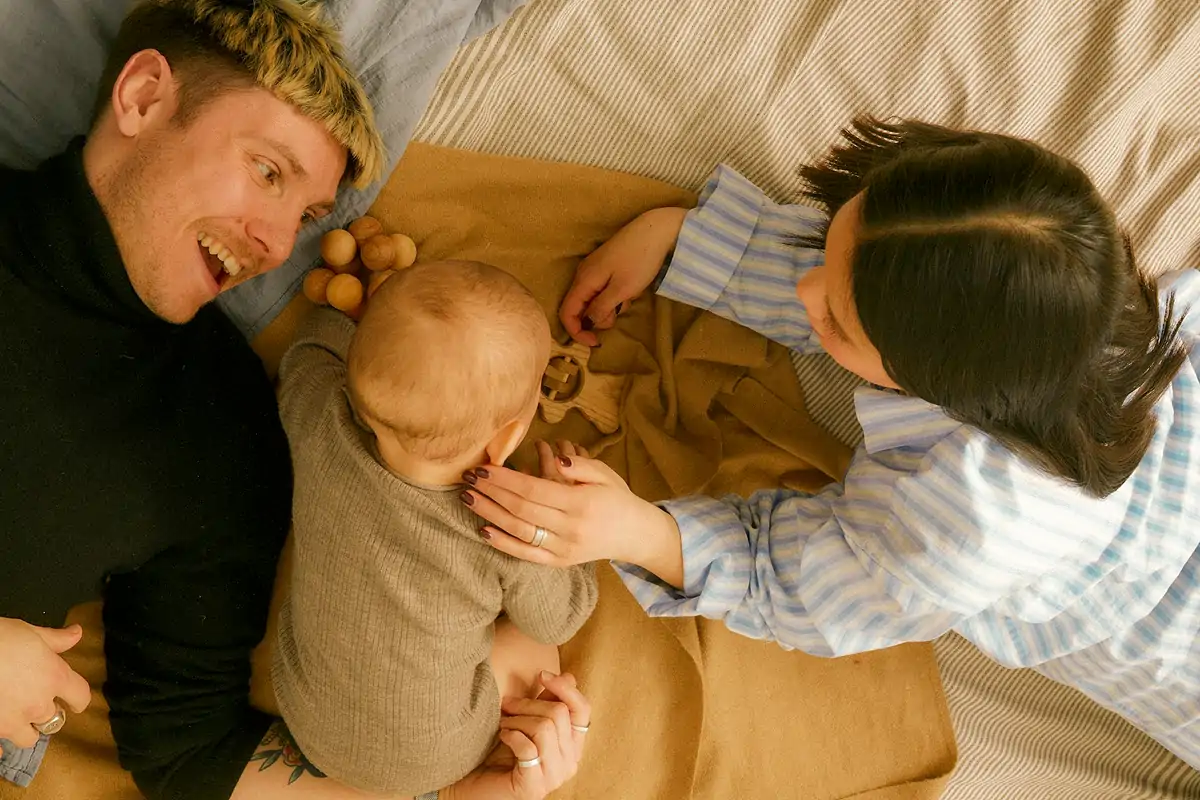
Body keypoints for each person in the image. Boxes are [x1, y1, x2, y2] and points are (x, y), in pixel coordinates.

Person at [459, 116, 1200, 767]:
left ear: (934, 387)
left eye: (838, 323)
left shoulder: (964, 529)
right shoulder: (1057, 276)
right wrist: (689, 240)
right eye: (831, 248)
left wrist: (643, 531)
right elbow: (877, 274)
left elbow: (805, 589)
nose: (807, 294)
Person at [0, 2, 588, 799]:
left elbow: (188, 751)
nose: (277, 243)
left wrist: (477, 796)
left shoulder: (224, 420)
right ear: (143, 96)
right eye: (267, 171)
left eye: (307, 217)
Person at [273, 260, 598, 796]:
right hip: (434, 756)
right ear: (507, 437)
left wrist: (350, 316)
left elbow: (308, 352)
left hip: (307, 721)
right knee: (530, 644)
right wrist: (563, 517)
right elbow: (560, 619)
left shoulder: (320, 418)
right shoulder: (508, 519)